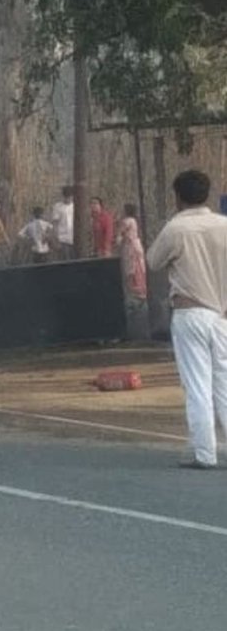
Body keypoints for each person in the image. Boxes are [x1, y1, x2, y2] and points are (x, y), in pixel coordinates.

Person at [147, 170, 227, 470]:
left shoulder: (176, 228)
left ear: (178, 197)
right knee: (225, 383)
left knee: (197, 385)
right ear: (206, 194)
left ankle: (204, 452)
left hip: (190, 311)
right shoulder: (224, 225)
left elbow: (153, 261)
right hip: (222, 314)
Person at [118, 203, 147, 302]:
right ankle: (140, 289)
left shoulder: (127, 221)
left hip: (130, 246)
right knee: (136, 267)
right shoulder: (134, 220)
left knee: (131, 268)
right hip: (134, 245)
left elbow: (120, 234)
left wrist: (117, 241)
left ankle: (134, 290)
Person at [51, 186, 75, 260]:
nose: (68, 199)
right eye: (66, 196)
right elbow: (55, 223)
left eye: (69, 196)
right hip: (63, 239)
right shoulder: (58, 206)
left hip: (74, 238)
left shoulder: (75, 206)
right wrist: (56, 239)